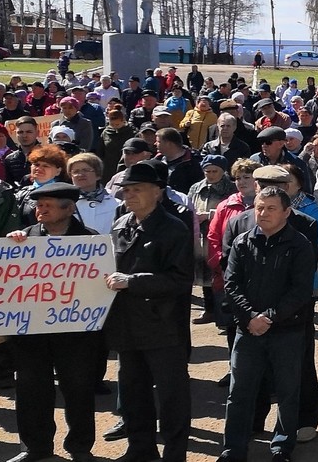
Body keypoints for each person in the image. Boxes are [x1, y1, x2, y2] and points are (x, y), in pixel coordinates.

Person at [4, 183, 107, 462]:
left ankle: (80, 447)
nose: (41, 210)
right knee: (31, 390)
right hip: (31, 334)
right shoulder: (22, 240)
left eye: (48, 205)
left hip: (75, 334)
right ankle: (35, 447)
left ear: (69, 208)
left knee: (78, 390)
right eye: (38, 205)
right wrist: (11, 247)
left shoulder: (90, 240)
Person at [219, 187, 316, 462]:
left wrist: (268, 317)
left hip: (287, 331)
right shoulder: (241, 242)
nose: (263, 213)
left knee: (287, 392)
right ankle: (233, 449)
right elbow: (231, 285)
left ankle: (282, 448)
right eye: (260, 207)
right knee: (239, 394)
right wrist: (250, 317)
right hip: (247, 331)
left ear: (287, 212)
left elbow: (299, 292)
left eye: (271, 208)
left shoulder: (299, 244)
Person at [106, 162, 194, 462]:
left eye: (137, 190)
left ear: (157, 192)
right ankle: (140, 449)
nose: (129, 195)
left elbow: (180, 280)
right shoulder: (120, 225)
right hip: (127, 326)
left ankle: (174, 453)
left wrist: (133, 282)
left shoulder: (173, 228)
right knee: (133, 393)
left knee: (172, 397)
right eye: (126, 190)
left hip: (164, 327)